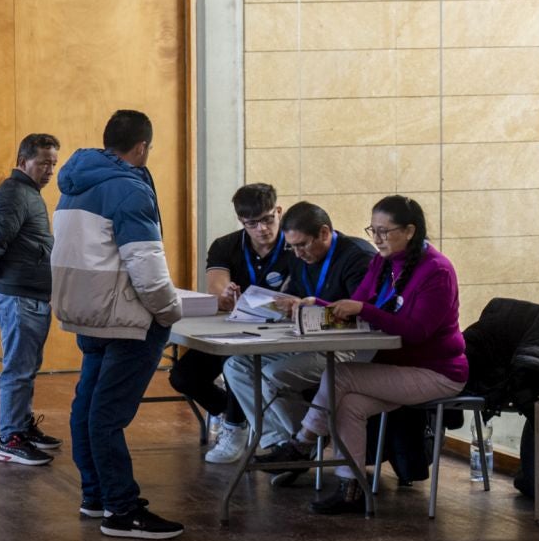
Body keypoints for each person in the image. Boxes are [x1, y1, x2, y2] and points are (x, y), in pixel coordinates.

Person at [51, 110, 185, 540]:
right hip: (126, 316)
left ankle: (96, 495)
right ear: (142, 147)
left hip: (87, 311)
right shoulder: (129, 189)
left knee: (88, 406)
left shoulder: (74, 185)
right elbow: (145, 263)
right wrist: (169, 310)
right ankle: (122, 509)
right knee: (106, 415)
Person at [293, 195, 467, 516]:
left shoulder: (437, 271)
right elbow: (356, 305)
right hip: (395, 368)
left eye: (385, 232)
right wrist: (310, 305)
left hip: (436, 373)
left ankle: (301, 441)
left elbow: (415, 331)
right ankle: (351, 489)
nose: (377, 239)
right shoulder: (382, 262)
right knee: (348, 404)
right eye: (373, 230)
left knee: (341, 374)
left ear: (410, 231)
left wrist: (365, 309)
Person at [220, 202, 376, 479]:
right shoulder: (297, 256)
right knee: (236, 366)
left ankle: (302, 445)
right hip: (306, 340)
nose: (298, 253)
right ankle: (282, 443)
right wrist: (282, 305)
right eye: (292, 247)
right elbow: (295, 297)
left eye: (303, 245)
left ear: (325, 233)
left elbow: (363, 318)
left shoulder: (358, 258)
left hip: (350, 347)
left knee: (272, 374)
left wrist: (311, 309)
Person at [174, 184, 287, 464]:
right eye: (253, 223)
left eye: (268, 219)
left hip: (280, 334)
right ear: (241, 222)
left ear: (279, 212)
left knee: (237, 364)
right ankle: (232, 413)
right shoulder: (226, 245)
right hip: (234, 330)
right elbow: (218, 289)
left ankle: (235, 428)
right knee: (182, 377)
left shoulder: (294, 243)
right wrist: (224, 294)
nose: (262, 228)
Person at [0, 133, 62, 467]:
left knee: (26, 367)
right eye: (43, 163)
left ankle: (22, 427)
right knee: (17, 370)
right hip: (18, 297)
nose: (49, 170)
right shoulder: (14, 194)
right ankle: (9, 439)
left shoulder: (28, 193)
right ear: (23, 160)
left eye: (53, 163)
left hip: (30, 295)